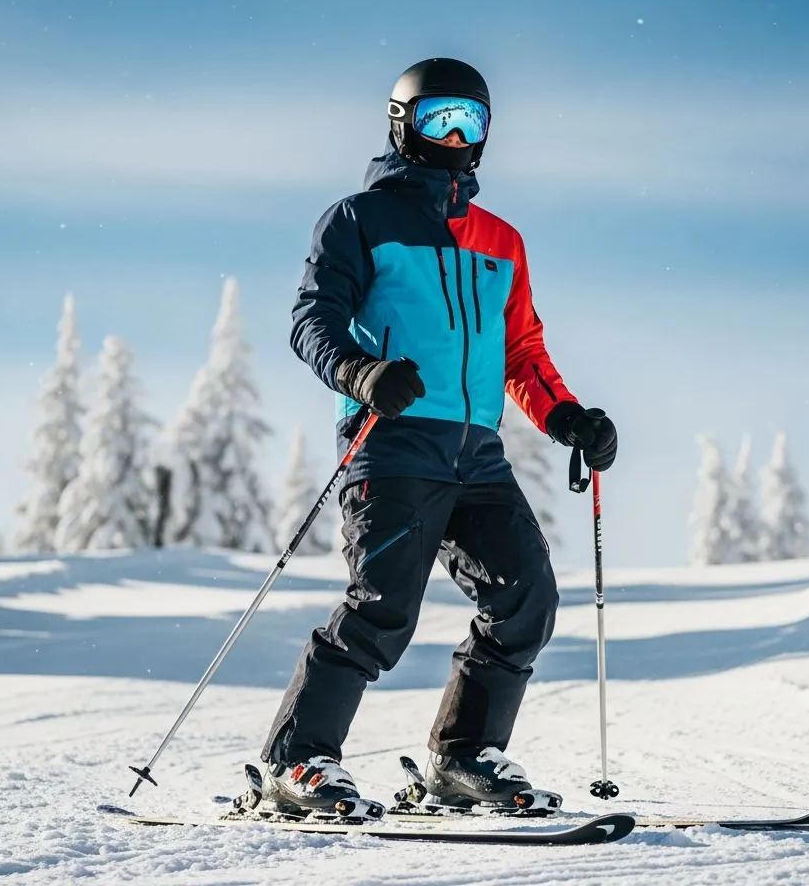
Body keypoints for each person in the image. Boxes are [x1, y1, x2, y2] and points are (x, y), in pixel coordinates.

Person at [259, 57, 618, 815]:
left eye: (471, 121)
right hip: (390, 444)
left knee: (526, 596)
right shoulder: (358, 219)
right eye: (437, 119)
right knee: (382, 604)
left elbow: (520, 352)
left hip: (476, 453)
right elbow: (311, 320)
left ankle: (462, 757)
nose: (454, 135)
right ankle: (297, 763)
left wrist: (567, 417)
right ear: (403, 124)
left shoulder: (502, 241)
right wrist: (361, 373)